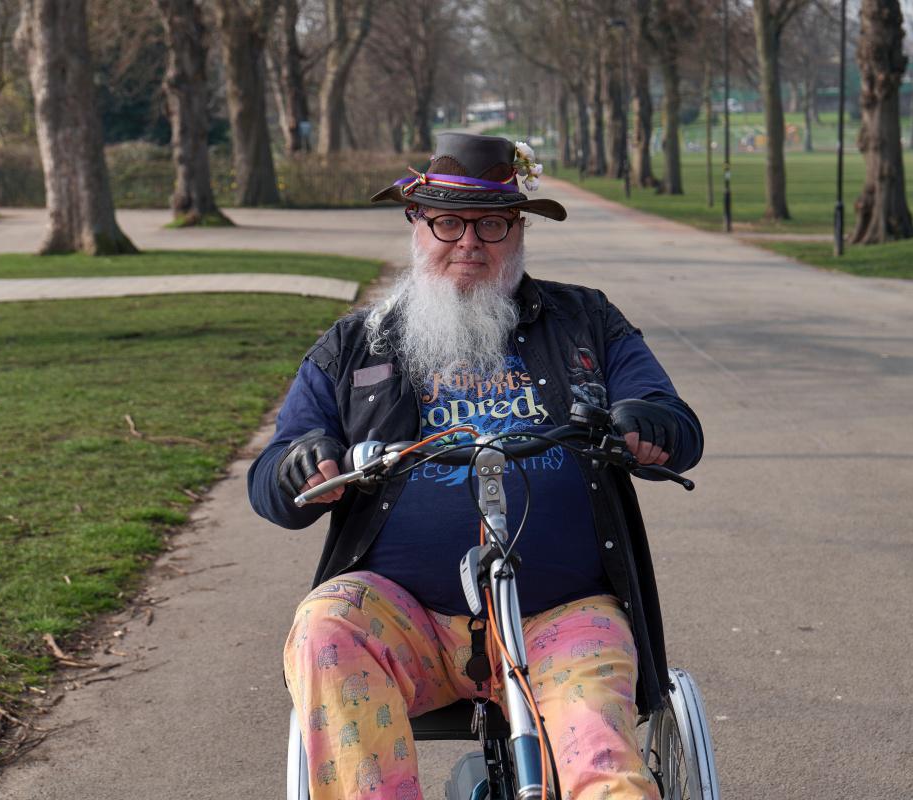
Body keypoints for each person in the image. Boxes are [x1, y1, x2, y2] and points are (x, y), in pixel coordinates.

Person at [249, 133, 703, 800]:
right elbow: (271, 477)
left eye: (491, 224)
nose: (469, 242)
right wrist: (299, 466)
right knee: (325, 628)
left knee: (603, 765)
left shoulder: (587, 321)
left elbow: (674, 422)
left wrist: (646, 423)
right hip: (406, 620)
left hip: (563, 616)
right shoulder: (353, 346)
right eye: (448, 223)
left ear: (517, 230)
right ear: (416, 224)